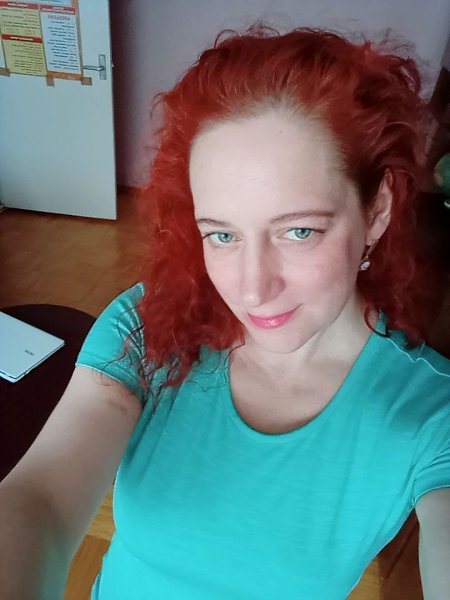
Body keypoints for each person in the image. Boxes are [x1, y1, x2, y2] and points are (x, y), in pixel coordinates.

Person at [1, 24, 449, 600]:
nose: (253, 289)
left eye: (299, 230)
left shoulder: (429, 410)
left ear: (377, 210)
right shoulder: (149, 326)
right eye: (222, 235)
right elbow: (40, 501)